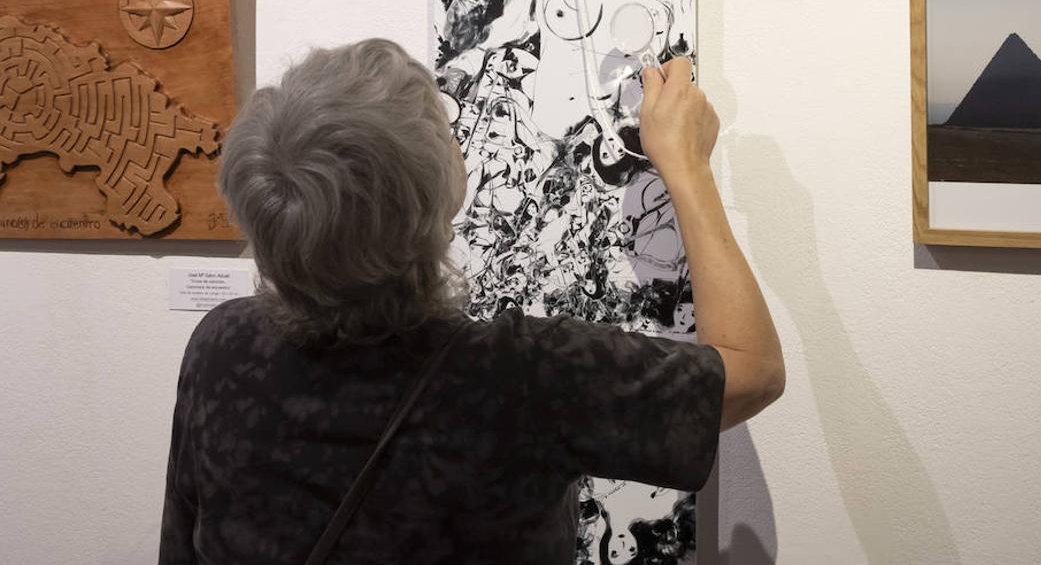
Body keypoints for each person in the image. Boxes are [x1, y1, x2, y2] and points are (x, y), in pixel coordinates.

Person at [159, 39, 784, 564]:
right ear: (441, 195)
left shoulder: (220, 350)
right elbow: (752, 371)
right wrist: (689, 168)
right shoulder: (520, 379)